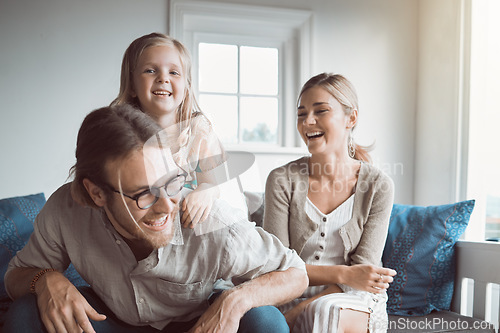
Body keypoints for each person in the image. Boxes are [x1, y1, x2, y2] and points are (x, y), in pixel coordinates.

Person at [3, 104, 308, 333]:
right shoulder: (65, 209)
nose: (167, 205)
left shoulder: (214, 223)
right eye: (143, 194)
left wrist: (235, 300)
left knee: (266, 321)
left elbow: (296, 273)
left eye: (172, 181)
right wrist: (44, 280)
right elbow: (16, 276)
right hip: (112, 320)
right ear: (96, 194)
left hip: (195, 323)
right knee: (25, 314)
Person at [262, 73, 397, 333]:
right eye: (302, 114)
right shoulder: (281, 180)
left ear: (351, 118)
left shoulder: (378, 186)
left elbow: (363, 274)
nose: (307, 122)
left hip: (353, 297)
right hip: (288, 294)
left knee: (325, 311)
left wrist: (301, 310)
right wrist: (342, 273)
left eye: (320, 111)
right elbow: (276, 265)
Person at [111, 32, 225, 228]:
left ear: (186, 87)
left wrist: (204, 191)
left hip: (186, 227)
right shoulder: (120, 132)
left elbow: (213, 183)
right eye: (150, 70)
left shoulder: (197, 131)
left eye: (174, 72)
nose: (163, 78)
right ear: (132, 86)